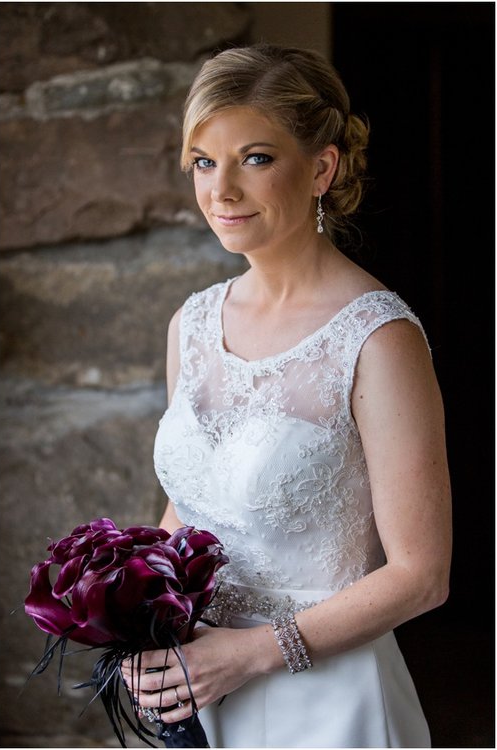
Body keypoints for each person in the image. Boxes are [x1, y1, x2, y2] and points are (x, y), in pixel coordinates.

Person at [125, 44, 451, 747]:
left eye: (256, 158)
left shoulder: (377, 338)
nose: (222, 191)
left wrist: (247, 654)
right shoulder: (193, 324)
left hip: (327, 702)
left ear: (322, 168)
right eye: (204, 163)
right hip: (204, 691)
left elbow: (422, 575)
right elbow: (191, 501)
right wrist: (137, 615)